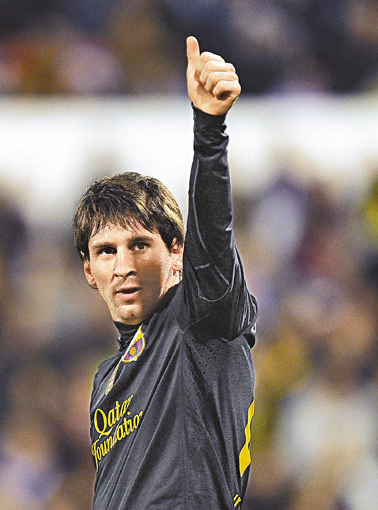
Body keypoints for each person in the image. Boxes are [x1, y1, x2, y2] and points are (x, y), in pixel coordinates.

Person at [72, 36, 257, 510]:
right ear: (89, 270)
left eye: (139, 245)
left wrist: (209, 130)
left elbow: (213, 241)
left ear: (177, 252)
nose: (124, 266)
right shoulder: (105, 380)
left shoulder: (199, 319)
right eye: (106, 251)